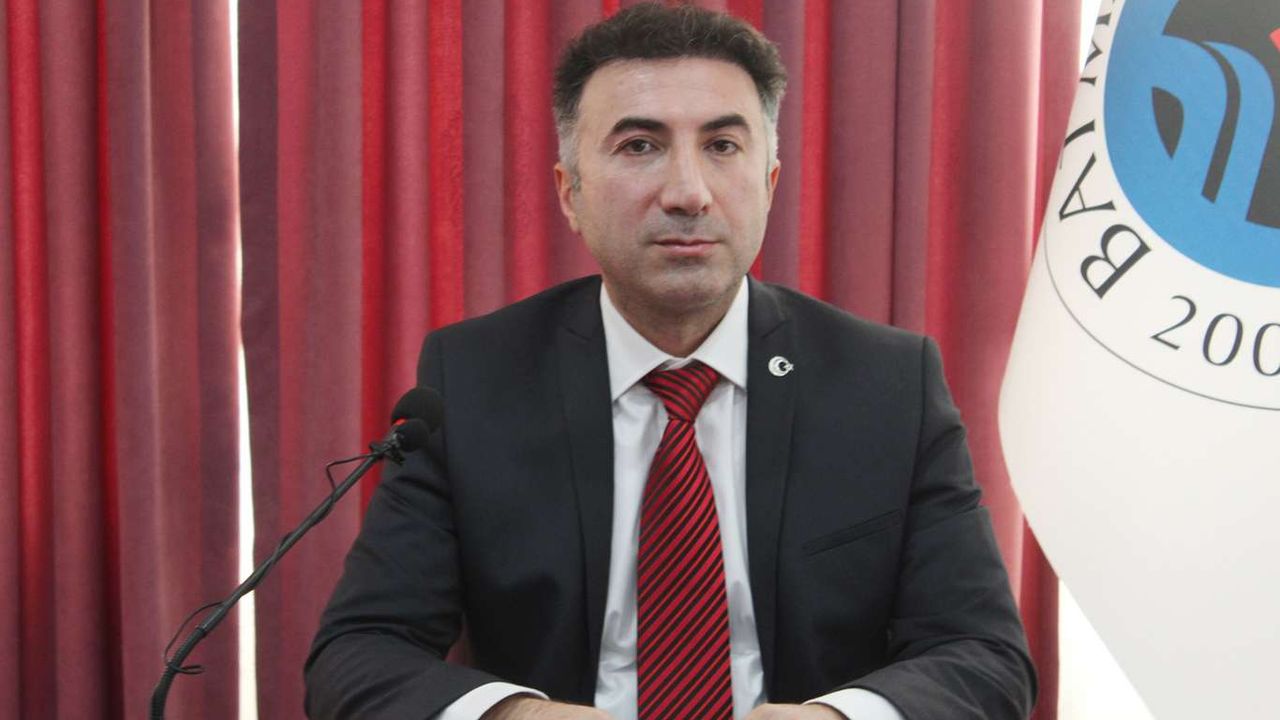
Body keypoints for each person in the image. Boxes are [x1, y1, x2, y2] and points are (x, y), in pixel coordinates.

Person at [305, 4, 1035, 719]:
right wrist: (513, 717)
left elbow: (984, 655)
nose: (688, 193)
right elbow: (358, 654)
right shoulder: (473, 382)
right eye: (639, 146)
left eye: (723, 146)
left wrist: (840, 718)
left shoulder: (887, 386)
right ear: (570, 193)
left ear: (769, 185)